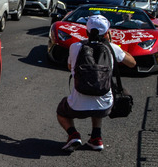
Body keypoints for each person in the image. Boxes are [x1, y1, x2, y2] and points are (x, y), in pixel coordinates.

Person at [56, 14, 136, 151]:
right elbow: (132, 63)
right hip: (105, 105)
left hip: (77, 105)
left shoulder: (75, 47)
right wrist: (111, 43)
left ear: (87, 31)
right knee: (97, 98)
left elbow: (70, 67)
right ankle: (96, 138)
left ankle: (73, 135)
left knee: (61, 111)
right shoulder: (112, 48)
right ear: (107, 33)